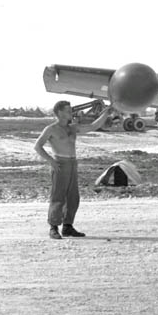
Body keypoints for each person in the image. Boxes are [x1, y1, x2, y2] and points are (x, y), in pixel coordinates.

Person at [34, 100, 114, 239]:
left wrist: (106, 112)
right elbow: (38, 146)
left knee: (73, 197)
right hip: (60, 163)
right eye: (68, 110)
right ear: (59, 112)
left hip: (72, 163)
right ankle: (53, 227)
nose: (71, 113)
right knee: (58, 196)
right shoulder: (51, 129)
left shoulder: (73, 127)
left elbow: (93, 126)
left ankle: (68, 226)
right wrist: (51, 161)